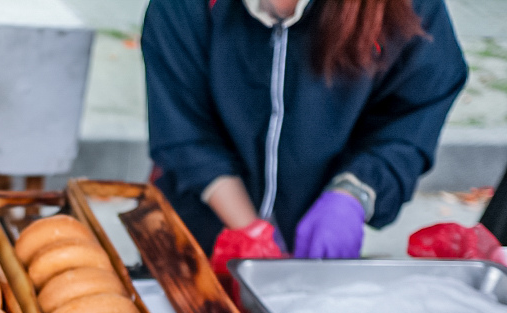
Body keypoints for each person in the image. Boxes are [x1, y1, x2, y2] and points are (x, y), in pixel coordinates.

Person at [142, 0, 468, 269]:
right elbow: (182, 129)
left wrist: (355, 191)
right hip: (192, 236)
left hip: (316, 252)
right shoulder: (184, 7)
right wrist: (249, 231)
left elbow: (413, 114)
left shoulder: (408, 8)